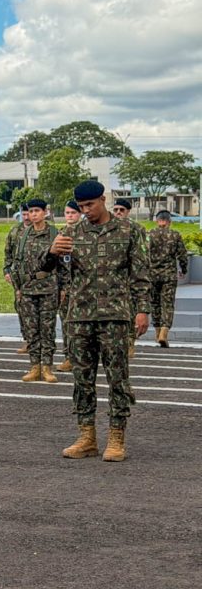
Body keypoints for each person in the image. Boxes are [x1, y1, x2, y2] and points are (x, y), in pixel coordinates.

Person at [45, 180, 150, 462]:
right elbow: (46, 270)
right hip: (79, 316)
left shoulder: (130, 231)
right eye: (81, 207)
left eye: (90, 205)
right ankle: (87, 436)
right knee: (82, 378)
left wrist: (142, 310)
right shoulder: (71, 232)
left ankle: (116, 436)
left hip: (115, 315)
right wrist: (52, 253)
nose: (86, 211)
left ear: (103, 199)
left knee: (118, 378)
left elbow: (140, 275)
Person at [12, 199, 60, 382]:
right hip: (27, 289)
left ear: (45, 212)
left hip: (48, 287)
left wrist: (63, 289)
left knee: (47, 329)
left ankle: (47, 367)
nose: (33, 214)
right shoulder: (23, 236)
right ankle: (34, 366)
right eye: (31, 211)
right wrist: (18, 287)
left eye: (37, 211)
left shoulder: (55, 234)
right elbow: (17, 263)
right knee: (32, 330)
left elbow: (64, 265)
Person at [112, 198, 147, 358]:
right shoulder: (109, 227)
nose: (118, 212)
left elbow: (142, 254)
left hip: (131, 278)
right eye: (116, 209)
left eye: (122, 210)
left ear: (128, 211)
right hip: (114, 281)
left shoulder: (137, 228)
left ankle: (130, 342)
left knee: (131, 312)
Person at [148, 210, 188, 347]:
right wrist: (184, 269)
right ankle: (164, 333)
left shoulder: (150, 234)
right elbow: (182, 255)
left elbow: (142, 254)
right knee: (168, 304)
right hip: (169, 275)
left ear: (157, 221)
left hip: (152, 274)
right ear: (169, 221)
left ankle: (157, 331)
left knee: (155, 304)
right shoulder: (175, 235)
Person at [56, 200, 81, 372]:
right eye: (67, 213)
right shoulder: (60, 234)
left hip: (85, 286)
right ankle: (69, 356)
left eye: (73, 213)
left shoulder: (86, 232)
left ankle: (82, 356)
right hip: (65, 286)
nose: (70, 216)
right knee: (66, 322)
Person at [4, 203, 31, 354]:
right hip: (19, 278)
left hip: (39, 278)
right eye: (24, 214)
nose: (27, 217)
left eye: (29, 213)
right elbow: (8, 253)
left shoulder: (45, 230)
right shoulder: (15, 231)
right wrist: (7, 271)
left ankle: (40, 341)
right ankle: (27, 340)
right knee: (21, 307)